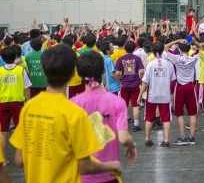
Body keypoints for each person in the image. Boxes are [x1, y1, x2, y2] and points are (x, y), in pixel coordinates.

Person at [9, 45, 121, 183]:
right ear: (74, 73)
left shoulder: (28, 108)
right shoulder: (75, 113)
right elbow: (85, 165)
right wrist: (112, 166)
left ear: (44, 70)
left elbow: (19, 160)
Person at [71, 51, 137, 182]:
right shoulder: (117, 102)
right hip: (110, 174)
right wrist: (132, 146)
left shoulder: (72, 104)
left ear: (78, 74)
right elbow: (124, 138)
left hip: (80, 176)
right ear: (102, 72)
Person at [138, 42, 175, 148]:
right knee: (166, 119)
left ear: (153, 52)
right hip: (165, 95)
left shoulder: (150, 64)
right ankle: (166, 140)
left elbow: (145, 82)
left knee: (149, 118)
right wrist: (171, 93)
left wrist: (140, 94)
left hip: (152, 96)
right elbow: (172, 80)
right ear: (162, 51)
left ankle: (147, 139)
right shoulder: (169, 64)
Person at [165, 39, 199, 145]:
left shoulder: (176, 58)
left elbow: (165, 47)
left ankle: (182, 137)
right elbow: (200, 48)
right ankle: (192, 137)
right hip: (190, 86)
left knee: (179, 114)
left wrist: (177, 40)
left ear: (179, 49)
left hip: (179, 86)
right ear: (189, 49)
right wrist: (194, 41)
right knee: (192, 113)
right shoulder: (193, 58)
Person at [0, 46, 31, 164]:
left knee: (3, 132)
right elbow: (27, 89)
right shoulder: (21, 70)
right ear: (15, 57)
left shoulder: (0, 71)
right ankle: (21, 158)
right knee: (20, 130)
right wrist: (28, 102)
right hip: (18, 103)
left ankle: (4, 160)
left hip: (2, 103)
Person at [115, 41, 145, 132]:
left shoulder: (121, 59)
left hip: (124, 84)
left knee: (124, 105)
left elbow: (117, 73)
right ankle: (136, 125)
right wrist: (140, 78)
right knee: (135, 105)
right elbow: (142, 71)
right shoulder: (137, 58)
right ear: (134, 48)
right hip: (135, 84)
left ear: (125, 48)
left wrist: (120, 79)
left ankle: (123, 124)